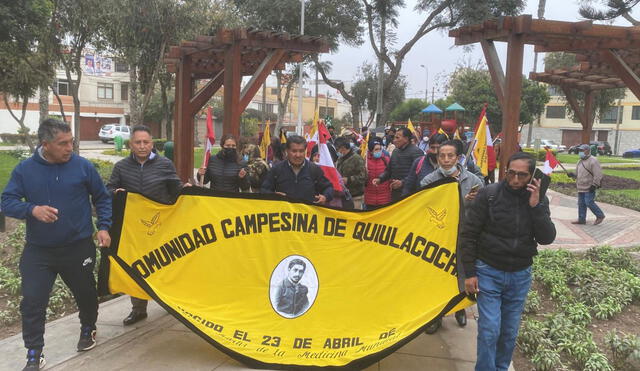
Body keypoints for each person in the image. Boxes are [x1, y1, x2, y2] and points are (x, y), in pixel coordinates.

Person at [1, 119, 112, 370]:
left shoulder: (83, 166)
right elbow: (6, 201)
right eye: (62, 143)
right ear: (46, 144)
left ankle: (88, 329)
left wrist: (103, 226)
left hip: (78, 246)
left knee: (85, 294)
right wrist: (32, 209)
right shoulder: (25, 170)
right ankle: (34, 352)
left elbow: (102, 197)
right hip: (40, 250)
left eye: (70, 141)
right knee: (32, 301)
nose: (69, 147)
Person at [460, 152, 556, 371]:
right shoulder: (489, 194)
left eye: (522, 175)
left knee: (509, 331)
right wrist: (470, 272)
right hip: (488, 271)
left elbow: (546, 238)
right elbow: (469, 233)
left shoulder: (538, 199)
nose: (514, 180)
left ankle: (500, 367)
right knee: (489, 330)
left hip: (520, 275)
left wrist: (536, 206)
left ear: (532, 176)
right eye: (511, 173)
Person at [106, 125, 185, 326]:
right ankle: (138, 309)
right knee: (137, 268)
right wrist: (115, 192)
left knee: (165, 267)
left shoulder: (165, 164)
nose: (142, 146)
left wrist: (188, 192)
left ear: (152, 143)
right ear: (130, 145)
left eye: (146, 142)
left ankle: (173, 305)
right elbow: (109, 189)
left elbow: (176, 190)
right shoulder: (121, 167)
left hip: (160, 228)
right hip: (134, 230)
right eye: (137, 142)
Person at [419, 140, 485, 334]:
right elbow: (422, 207)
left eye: (450, 156)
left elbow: (483, 212)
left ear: (458, 158)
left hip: (465, 237)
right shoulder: (428, 181)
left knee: (462, 275)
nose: (446, 160)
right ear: (437, 158)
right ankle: (436, 316)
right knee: (437, 276)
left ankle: (460, 308)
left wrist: (471, 203)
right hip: (438, 236)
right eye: (442, 156)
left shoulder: (474, 182)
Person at [261, 135, 333, 204]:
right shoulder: (276, 169)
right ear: (287, 151)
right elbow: (264, 190)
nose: (298, 155)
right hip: (284, 214)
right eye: (294, 151)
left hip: (308, 214)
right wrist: (272, 195)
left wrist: (325, 197)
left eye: (301, 151)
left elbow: (328, 188)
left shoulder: (314, 169)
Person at [372, 127, 423, 202]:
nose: (394, 140)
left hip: (410, 194)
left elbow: (419, 174)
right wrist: (380, 179)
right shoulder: (395, 152)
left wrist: (402, 182)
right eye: (394, 137)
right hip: (395, 192)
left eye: (397, 138)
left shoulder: (417, 152)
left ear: (406, 139)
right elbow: (389, 170)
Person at [568, 144, 605, 225]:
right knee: (581, 204)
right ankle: (581, 219)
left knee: (589, 202)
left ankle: (600, 215)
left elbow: (598, 174)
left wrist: (594, 185)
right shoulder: (579, 161)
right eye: (580, 150)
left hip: (590, 187)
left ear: (587, 151)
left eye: (582, 150)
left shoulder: (593, 161)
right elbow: (578, 175)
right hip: (580, 186)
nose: (580, 152)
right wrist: (572, 175)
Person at [334, 137, 367, 210]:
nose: (337, 151)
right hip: (343, 196)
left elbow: (363, 177)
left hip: (355, 197)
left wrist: (348, 180)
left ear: (342, 148)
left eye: (337, 149)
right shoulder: (340, 159)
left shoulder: (357, 159)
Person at [364, 138, 392, 210]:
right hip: (370, 198)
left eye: (380, 149)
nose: (378, 151)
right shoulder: (365, 161)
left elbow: (390, 174)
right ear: (371, 150)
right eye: (376, 149)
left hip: (384, 198)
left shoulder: (386, 159)